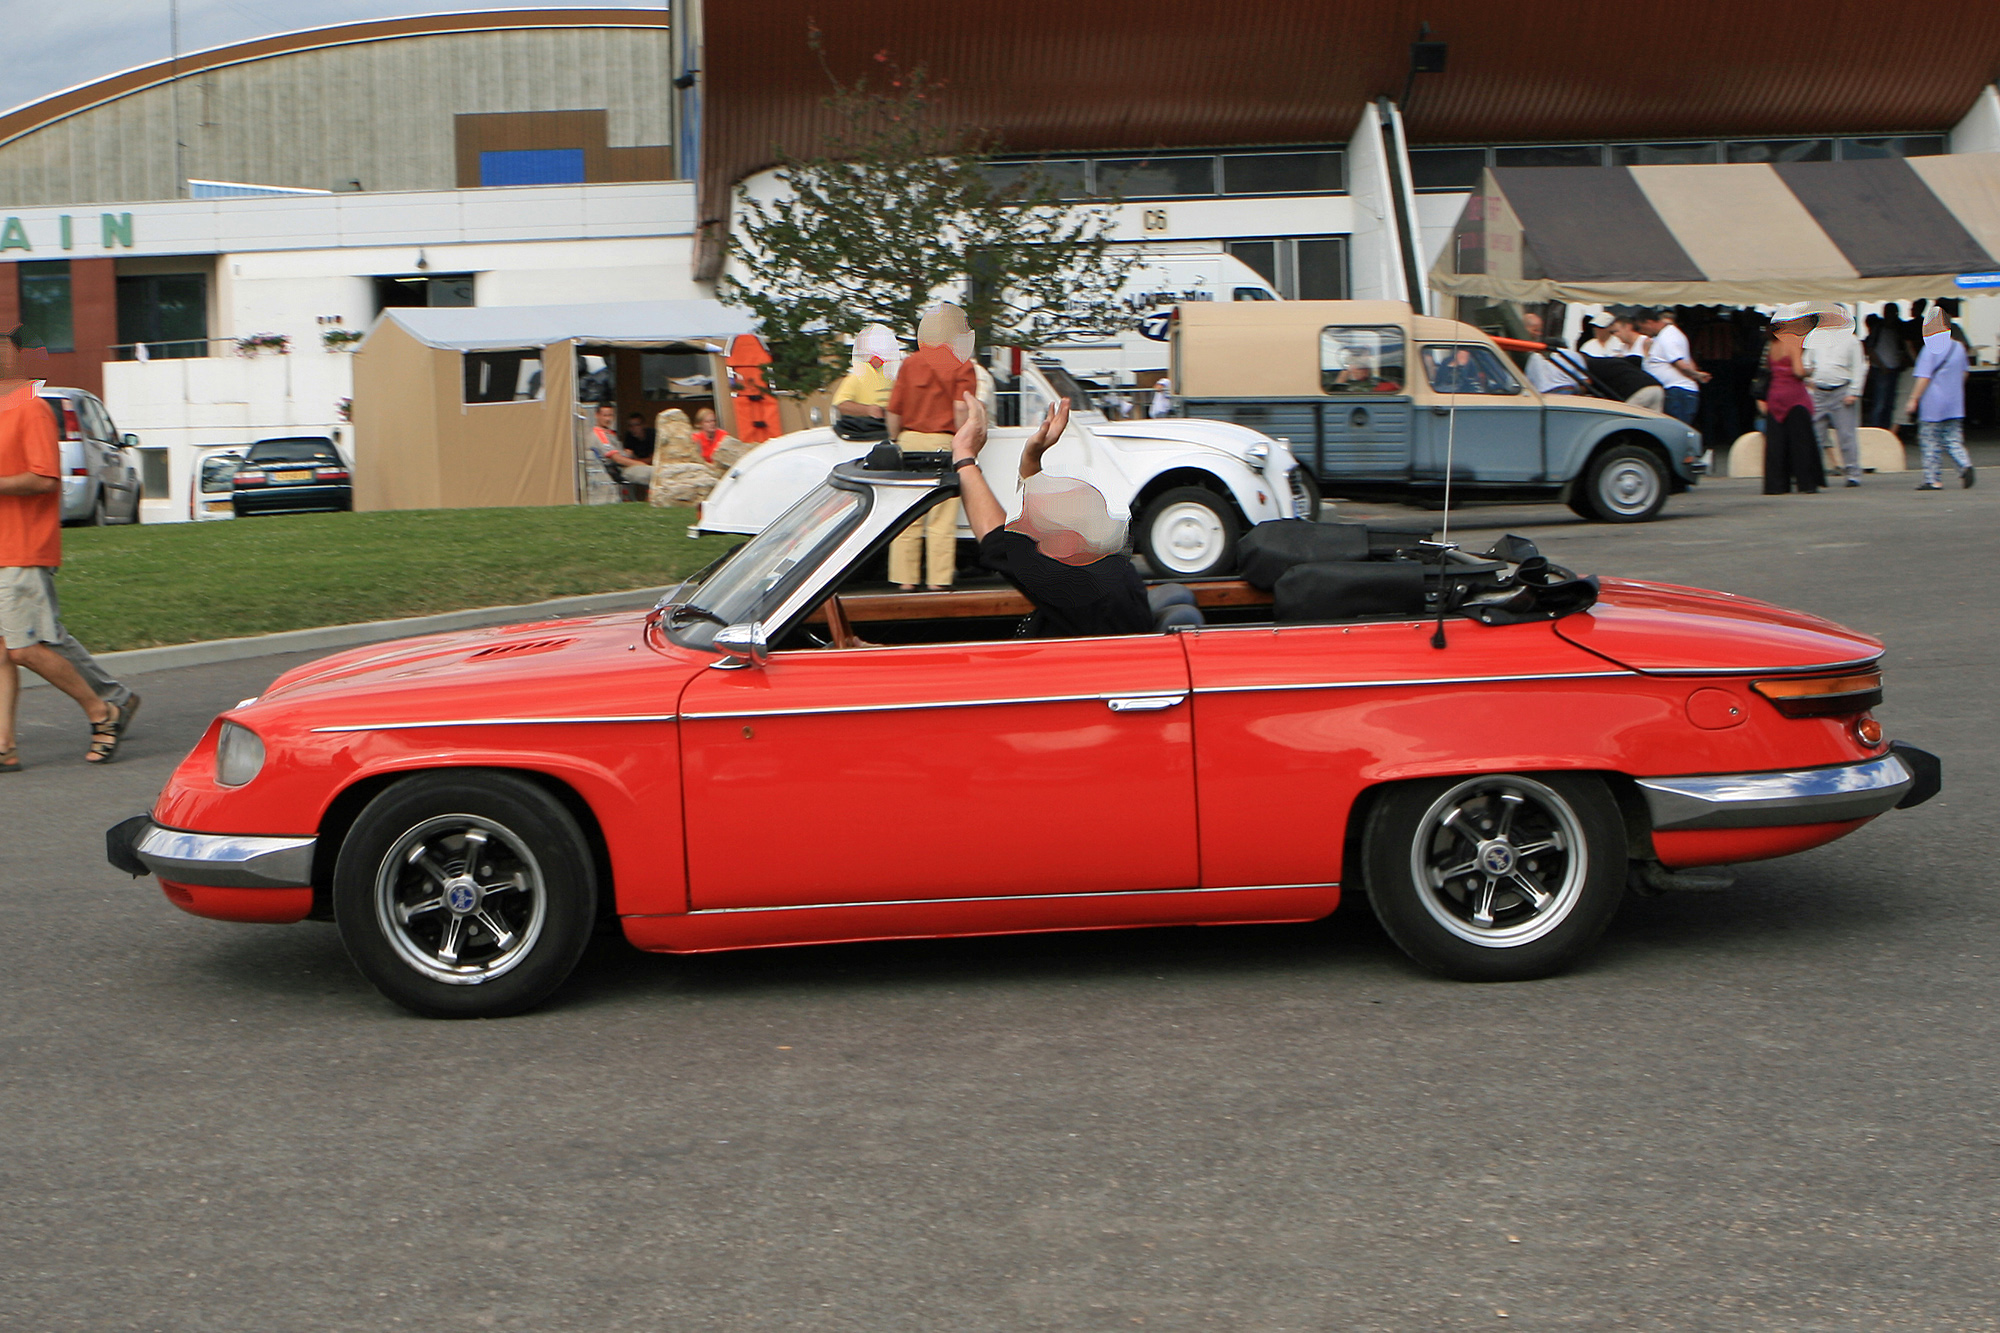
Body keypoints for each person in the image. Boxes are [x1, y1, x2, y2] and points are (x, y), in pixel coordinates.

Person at [0, 328, 140, 771]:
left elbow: (44, 479)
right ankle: (4, 746)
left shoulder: (31, 409)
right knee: (8, 648)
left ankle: (105, 711)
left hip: (22, 545)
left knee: (25, 648)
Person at [950, 393, 1195, 636]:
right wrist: (1031, 459)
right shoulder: (1109, 573)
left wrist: (964, 457)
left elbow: (998, 542)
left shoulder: (1084, 592)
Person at [885, 304, 977, 590]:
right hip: (942, 442)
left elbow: (893, 411)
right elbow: (961, 408)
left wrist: (896, 440)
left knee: (908, 516)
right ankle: (937, 583)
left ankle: (905, 582)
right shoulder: (962, 364)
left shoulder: (910, 363)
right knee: (940, 518)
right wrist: (965, 441)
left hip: (908, 440)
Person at [1906, 303, 1974, 490]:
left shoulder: (1929, 349)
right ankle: (1964, 464)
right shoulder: (1958, 347)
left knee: (1930, 441)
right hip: (1954, 402)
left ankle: (1932, 479)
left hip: (1932, 404)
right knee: (1952, 438)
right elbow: (1965, 373)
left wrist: (1913, 399)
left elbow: (1923, 378)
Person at [1797, 302, 1867, 486]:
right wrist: (1808, 381)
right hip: (1819, 391)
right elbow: (1806, 362)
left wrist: (1853, 392)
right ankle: (1815, 474)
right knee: (1816, 435)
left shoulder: (1852, 341)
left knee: (1846, 435)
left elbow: (1858, 369)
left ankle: (1853, 473)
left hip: (1841, 390)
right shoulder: (1815, 338)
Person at [1758, 312, 1823, 495]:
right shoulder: (1792, 344)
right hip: (1794, 396)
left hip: (1775, 394)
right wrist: (1809, 372)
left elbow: (1770, 370)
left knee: (1776, 442)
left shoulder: (1771, 346)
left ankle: (1776, 484)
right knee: (1801, 441)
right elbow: (1798, 370)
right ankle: (1806, 482)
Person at [1635, 308, 1710, 425]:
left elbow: (1681, 364)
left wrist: (1697, 375)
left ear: (1649, 322)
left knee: (1675, 429)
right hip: (1675, 392)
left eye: (1641, 328)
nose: (1642, 332)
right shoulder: (1662, 336)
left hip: (1678, 392)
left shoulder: (1668, 337)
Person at [830, 325, 895, 440]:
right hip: (868, 435)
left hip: (891, 432)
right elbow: (841, 405)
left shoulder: (892, 378)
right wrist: (868, 410)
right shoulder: (855, 378)